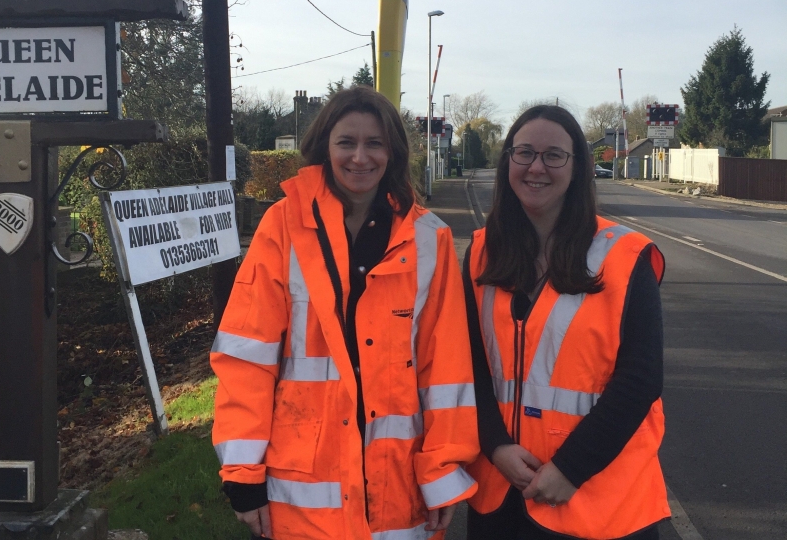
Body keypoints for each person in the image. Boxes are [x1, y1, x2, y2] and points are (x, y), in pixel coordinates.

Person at [211, 86, 479, 540]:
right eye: (346, 142)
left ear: (392, 151)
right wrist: (242, 472)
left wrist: (442, 472)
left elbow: (446, 371)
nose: (360, 157)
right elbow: (247, 357)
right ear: (324, 147)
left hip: (397, 492)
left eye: (375, 143)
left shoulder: (430, 240)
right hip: (302, 489)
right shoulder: (282, 226)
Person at [463, 105, 671, 539]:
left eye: (554, 155)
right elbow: (467, 368)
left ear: (578, 169)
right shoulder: (481, 254)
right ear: (508, 164)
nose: (536, 167)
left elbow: (640, 380)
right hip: (501, 496)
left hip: (598, 502)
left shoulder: (625, 258)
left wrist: (570, 470)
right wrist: (496, 446)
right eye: (524, 153)